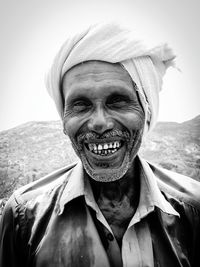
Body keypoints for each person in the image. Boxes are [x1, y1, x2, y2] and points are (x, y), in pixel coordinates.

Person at [0, 21, 200, 267]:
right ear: (64, 119)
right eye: (81, 104)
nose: (99, 123)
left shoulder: (194, 209)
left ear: (147, 112)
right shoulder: (24, 217)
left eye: (118, 101)